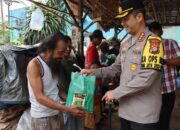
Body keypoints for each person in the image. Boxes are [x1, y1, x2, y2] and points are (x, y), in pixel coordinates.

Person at [81, 0, 164, 130]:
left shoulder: (153, 42)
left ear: (139, 17)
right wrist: (93, 72)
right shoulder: (126, 44)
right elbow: (115, 67)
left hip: (143, 115)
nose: (122, 23)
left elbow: (146, 78)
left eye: (126, 19)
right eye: (121, 20)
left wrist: (115, 93)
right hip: (126, 110)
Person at [27, 32, 85, 130]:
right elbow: (39, 97)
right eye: (60, 52)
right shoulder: (35, 65)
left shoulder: (54, 63)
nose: (62, 56)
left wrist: (73, 102)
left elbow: (56, 89)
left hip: (57, 114)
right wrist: (67, 109)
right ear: (49, 49)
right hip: (42, 119)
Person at [148, 21, 180, 130]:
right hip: (151, 89)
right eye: (151, 33)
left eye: (155, 32)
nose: (153, 36)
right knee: (152, 119)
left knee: (164, 119)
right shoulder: (146, 47)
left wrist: (165, 62)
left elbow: (179, 60)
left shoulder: (171, 43)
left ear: (161, 32)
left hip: (168, 89)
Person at [85, 61, 102, 130]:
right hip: (88, 104)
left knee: (97, 120)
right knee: (88, 124)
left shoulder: (99, 79)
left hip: (96, 104)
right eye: (93, 68)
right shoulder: (86, 78)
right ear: (89, 69)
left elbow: (99, 93)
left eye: (96, 68)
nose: (94, 69)